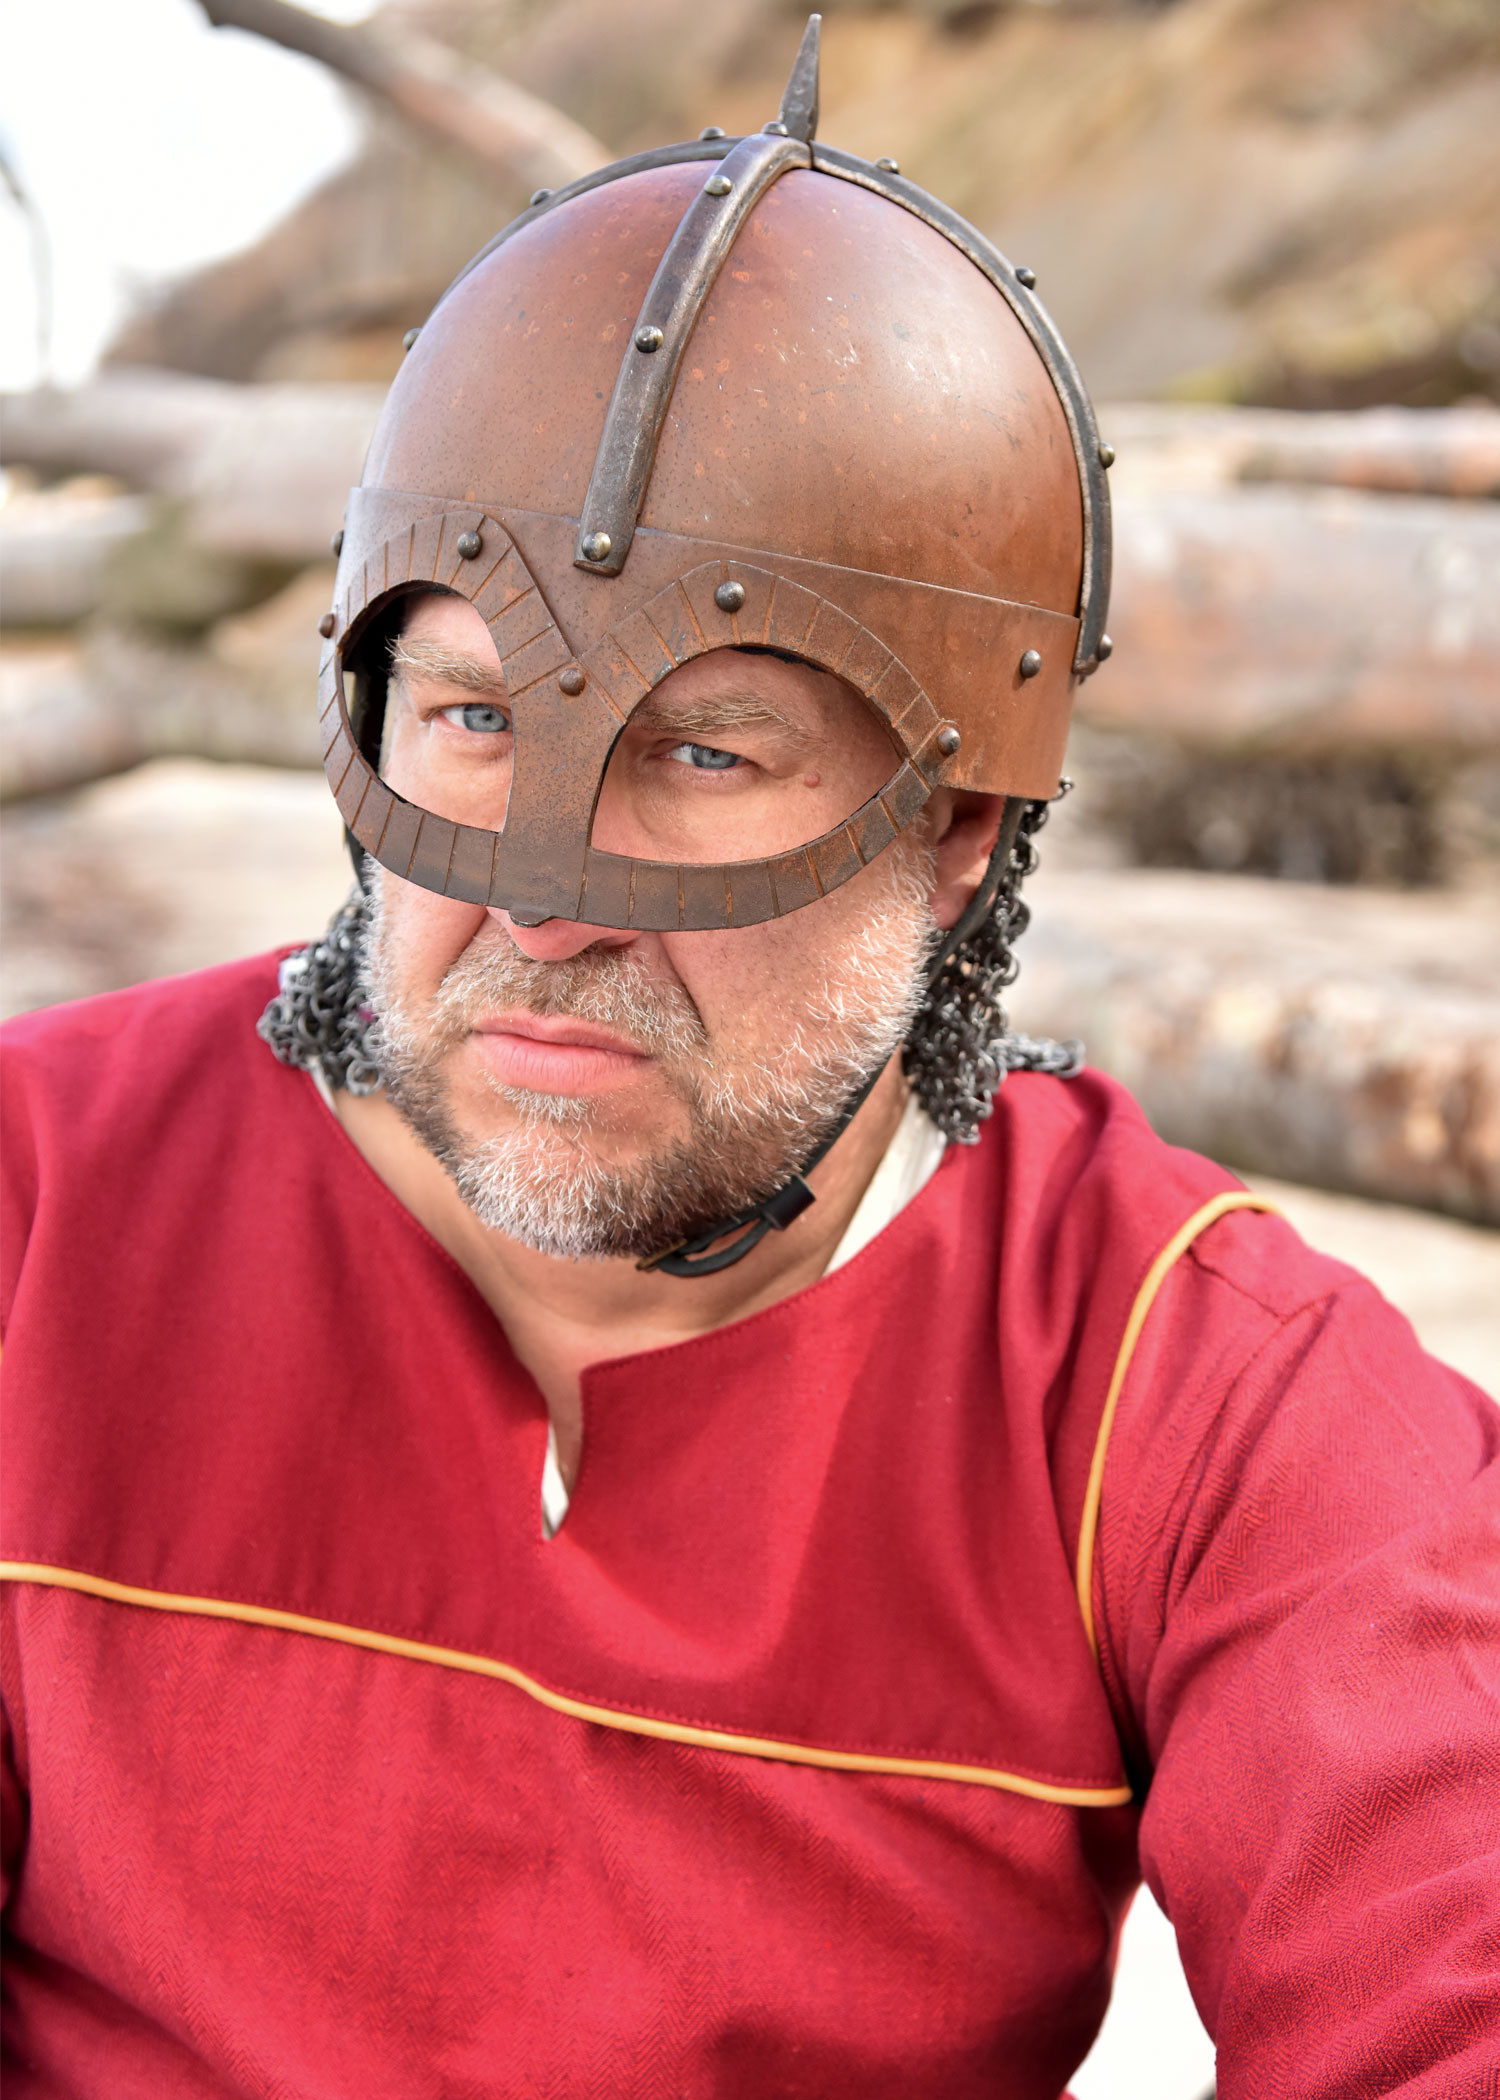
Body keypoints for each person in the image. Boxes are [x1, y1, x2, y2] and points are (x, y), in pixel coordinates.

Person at [3, 21, 1496, 2097]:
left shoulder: (1192, 1389)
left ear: (957, 828)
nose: (546, 911)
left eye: (706, 752)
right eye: (474, 718)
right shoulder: (40, 1203)